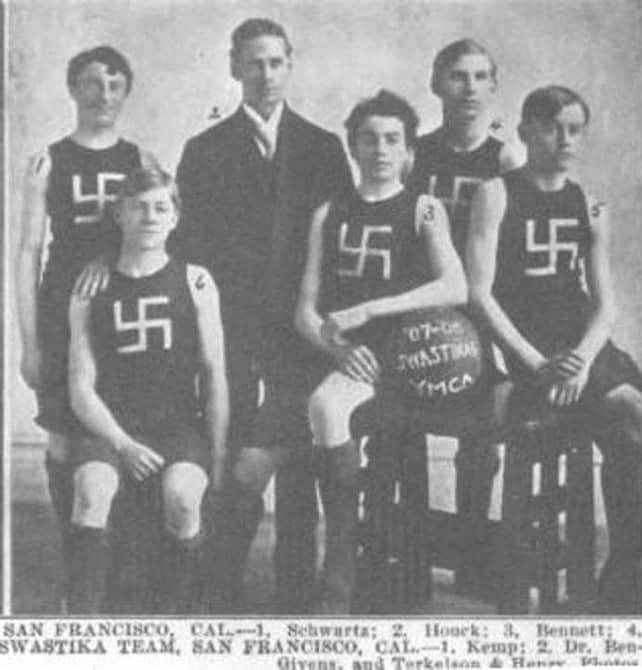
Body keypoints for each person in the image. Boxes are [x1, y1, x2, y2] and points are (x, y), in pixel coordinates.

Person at [173, 17, 352, 613]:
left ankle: (296, 589)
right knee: (241, 451)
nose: (266, 74)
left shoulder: (324, 147)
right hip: (237, 331)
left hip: (303, 332)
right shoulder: (204, 151)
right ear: (234, 69)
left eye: (277, 62)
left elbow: (343, 244)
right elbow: (189, 249)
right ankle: (220, 584)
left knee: (298, 455)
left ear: (290, 66)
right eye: (255, 63)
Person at [466, 85, 642, 614]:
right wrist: (537, 363)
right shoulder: (497, 193)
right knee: (630, 417)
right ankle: (622, 577)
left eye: (574, 129)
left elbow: (606, 304)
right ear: (525, 132)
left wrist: (584, 361)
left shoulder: (589, 204)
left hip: (580, 343)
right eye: (552, 127)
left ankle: (625, 567)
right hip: (522, 345)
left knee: (637, 416)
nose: (564, 139)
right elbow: (480, 292)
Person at [292, 89, 466, 613]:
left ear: (410, 149)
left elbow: (455, 286)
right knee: (324, 406)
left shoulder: (424, 207)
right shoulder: (329, 212)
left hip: (411, 349)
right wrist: (335, 343)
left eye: (393, 139)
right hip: (352, 353)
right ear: (352, 146)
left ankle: (371, 575)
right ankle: (338, 581)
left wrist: (370, 310)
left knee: (358, 423)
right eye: (368, 139)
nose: (380, 149)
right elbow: (304, 308)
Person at [15, 45, 156, 610]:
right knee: (63, 430)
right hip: (60, 305)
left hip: (120, 305)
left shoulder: (138, 154)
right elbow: (27, 252)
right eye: (92, 83)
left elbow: (153, 228)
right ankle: (76, 544)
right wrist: (29, 342)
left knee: (115, 419)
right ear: (73, 90)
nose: (104, 95)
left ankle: (119, 555)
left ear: (126, 92)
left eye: (115, 84)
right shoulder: (48, 160)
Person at [67, 166, 228, 614]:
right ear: (118, 214)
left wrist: (215, 456)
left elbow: (215, 374)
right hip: (111, 429)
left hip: (177, 430)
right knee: (92, 489)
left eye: (161, 207)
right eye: (138, 207)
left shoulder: (196, 281)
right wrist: (123, 443)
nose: (150, 217)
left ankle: (180, 619)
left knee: (181, 496)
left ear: (176, 217)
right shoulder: (88, 288)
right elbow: (81, 388)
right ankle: (80, 625)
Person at [409, 39, 521, 597]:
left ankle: (475, 550)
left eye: (481, 77)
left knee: (483, 427)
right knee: (395, 423)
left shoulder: (506, 161)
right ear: (435, 83)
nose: (469, 88)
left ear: (494, 87)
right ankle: (403, 553)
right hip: (424, 312)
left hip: (481, 310)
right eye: (457, 76)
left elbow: (513, 264)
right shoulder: (415, 154)